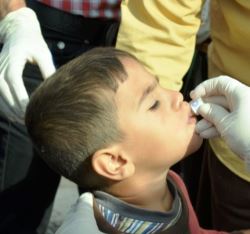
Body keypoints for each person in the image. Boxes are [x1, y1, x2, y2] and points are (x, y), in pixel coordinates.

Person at [25, 47, 250, 234]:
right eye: (153, 104)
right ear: (115, 162)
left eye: (161, 84)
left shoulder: (169, 181)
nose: (176, 95)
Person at [0, 1, 121, 233]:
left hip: (119, 50)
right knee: (15, 211)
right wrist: (14, 18)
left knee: (114, 218)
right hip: (36, 40)